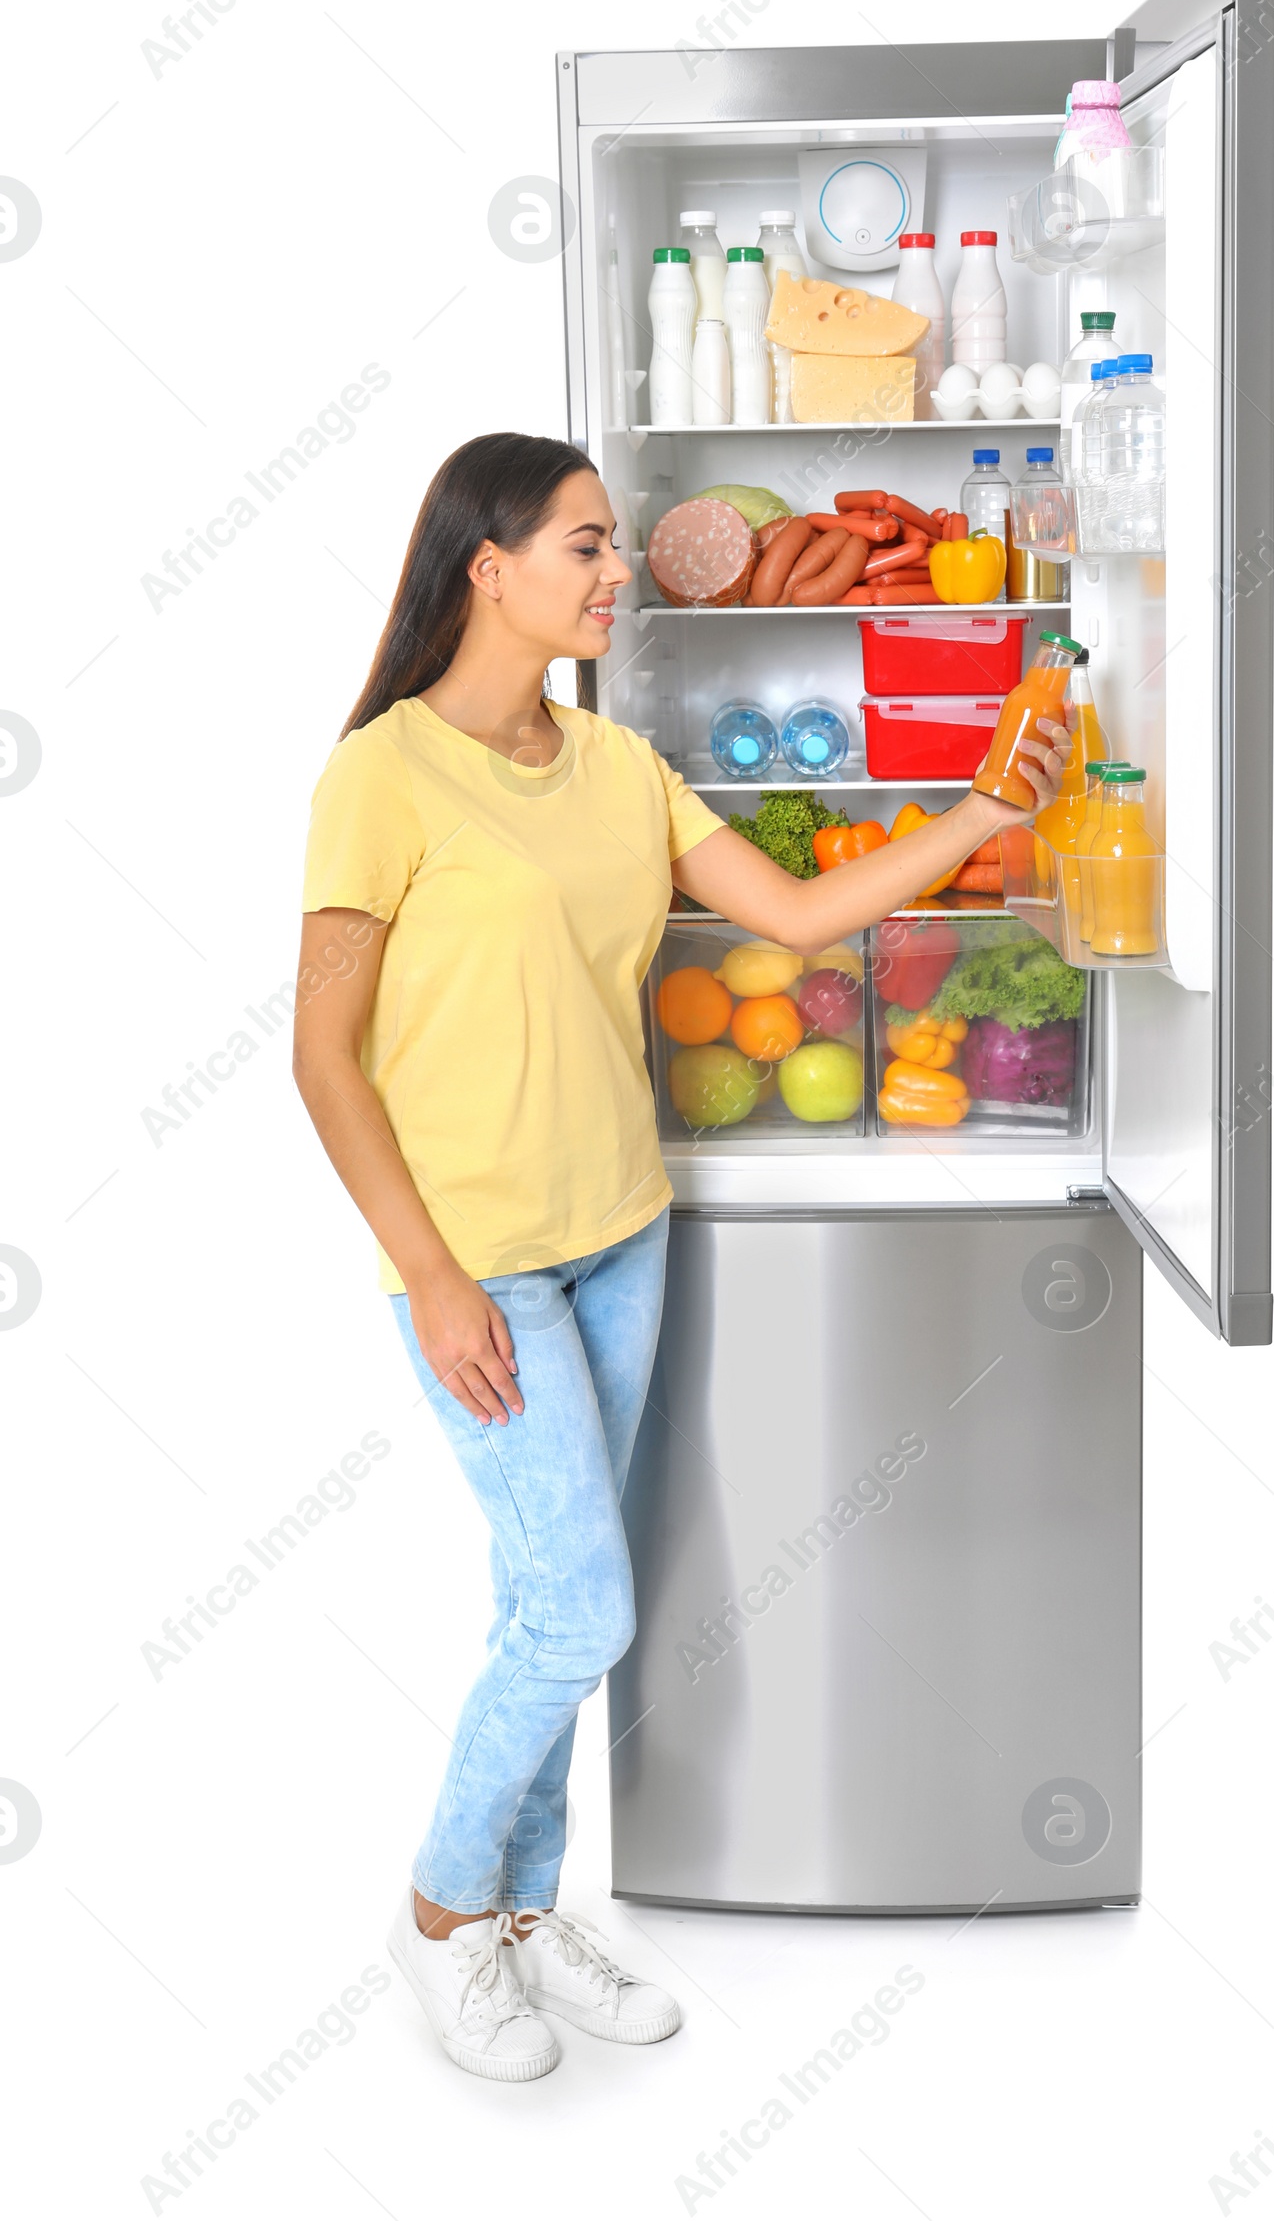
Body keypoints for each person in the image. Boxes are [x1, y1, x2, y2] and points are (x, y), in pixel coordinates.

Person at [292, 433, 1068, 2083]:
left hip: (621, 1235)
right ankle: (441, 1922)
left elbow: (796, 919)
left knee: (546, 1601)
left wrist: (985, 808)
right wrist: (431, 1278)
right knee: (579, 1617)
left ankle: (522, 1912)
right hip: (482, 1263)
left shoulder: (621, 767)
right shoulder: (381, 778)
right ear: (486, 568)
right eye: (586, 547)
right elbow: (322, 1054)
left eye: (617, 545)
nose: (620, 571)